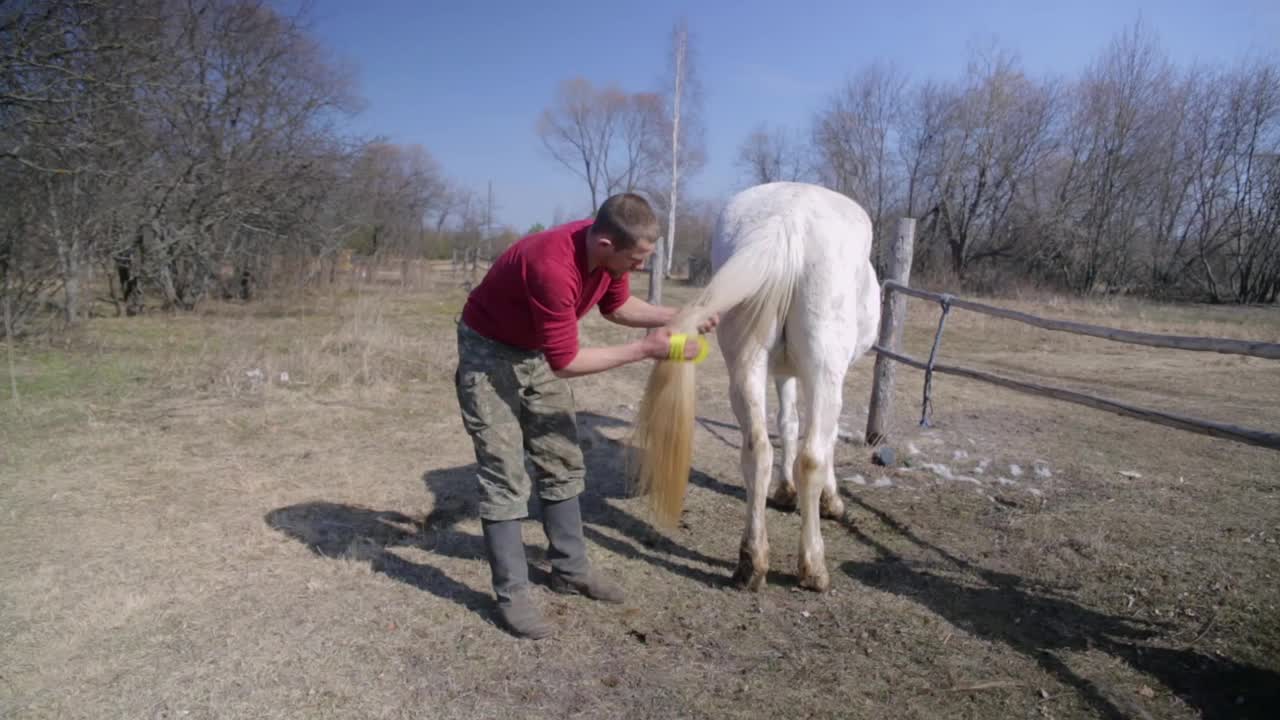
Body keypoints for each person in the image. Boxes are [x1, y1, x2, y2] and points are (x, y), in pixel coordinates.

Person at [453, 192, 717, 639]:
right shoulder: (551, 267)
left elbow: (617, 307)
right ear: (606, 246)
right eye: (636, 260)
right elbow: (566, 362)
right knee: (504, 474)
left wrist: (679, 314)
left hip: (536, 349)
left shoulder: (607, 253)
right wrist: (646, 349)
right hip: (489, 354)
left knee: (562, 458)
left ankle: (570, 572)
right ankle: (513, 595)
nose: (638, 269)